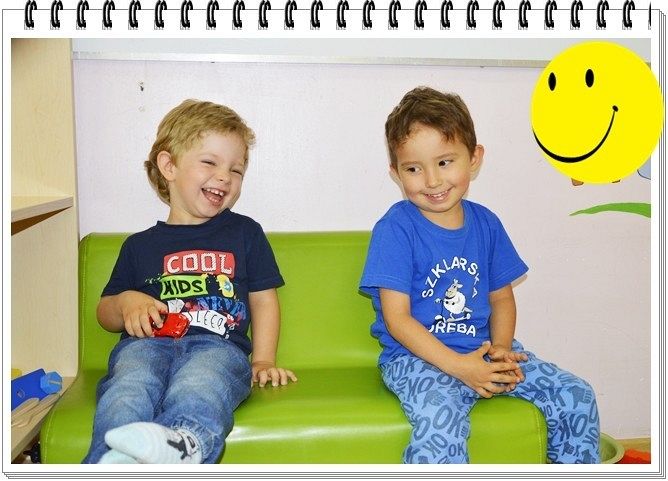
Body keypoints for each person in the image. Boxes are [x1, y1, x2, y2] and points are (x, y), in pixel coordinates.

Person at [359, 86, 599, 464]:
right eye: (413, 168)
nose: (432, 180)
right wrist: (459, 367)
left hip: (485, 351)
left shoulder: (486, 224)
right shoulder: (396, 228)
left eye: (444, 162)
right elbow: (397, 319)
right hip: (415, 359)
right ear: (395, 173)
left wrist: (501, 349)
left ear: (474, 159)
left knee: (577, 396)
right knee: (442, 422)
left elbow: (501, 297)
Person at [83, 99, 297, 464]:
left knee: (201, 384)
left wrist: (262, 360)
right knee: (128, 389)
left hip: (217, 347)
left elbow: (263, 299)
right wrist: (126, 301)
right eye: (210, 162)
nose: (225, 176)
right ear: (169, 166)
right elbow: (106, 313)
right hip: (144, 345)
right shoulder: (138, 246)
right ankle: (112, 461)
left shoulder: (245, 233)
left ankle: (183, 446)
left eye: (236, 170)